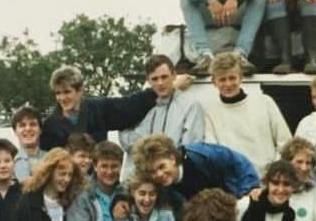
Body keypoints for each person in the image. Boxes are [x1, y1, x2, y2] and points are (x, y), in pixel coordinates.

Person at [202, 52, 291, 172]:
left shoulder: (265, 102)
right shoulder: (209, 111)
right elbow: (213, 151)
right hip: (233, 182)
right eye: (222, 79)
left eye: (232, 78)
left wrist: (273, 172)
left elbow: (285, 143)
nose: (228, 84)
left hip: (268, 179)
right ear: (214, 82)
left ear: (241, 77)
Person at [119, 55, 204, 176]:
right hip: (138, 178)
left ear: (174, 75)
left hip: (170, 178)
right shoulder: (136, 103)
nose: (160, 83)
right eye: (155, 79)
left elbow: (191, 147)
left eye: (164, 77)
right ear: (148, 80)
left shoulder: (190, 105)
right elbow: (125, 138)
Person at [40, 65, 157, 150]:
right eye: (58, 93)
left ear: (80, 91)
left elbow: (129, 106)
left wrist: (157, 90)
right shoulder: (51, 125)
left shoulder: (97, 109)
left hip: (98, 175)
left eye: (67, 92)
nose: (62, 98)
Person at [131, 134, 259, 205]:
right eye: (152, 171)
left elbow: (237, 161)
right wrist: (120, 199)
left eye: (161, 166)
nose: (159, 174)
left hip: (235, 200)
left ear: (172, 158)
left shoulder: (199, 154)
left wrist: (249, 189)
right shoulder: (157, 183)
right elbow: (131, 184)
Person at [12, 106, 48, 182]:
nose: (28, 129)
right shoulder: (9, 163)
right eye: (22, 125)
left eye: (33, 124)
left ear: (40, 130)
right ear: (15, 131)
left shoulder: (51, 159)